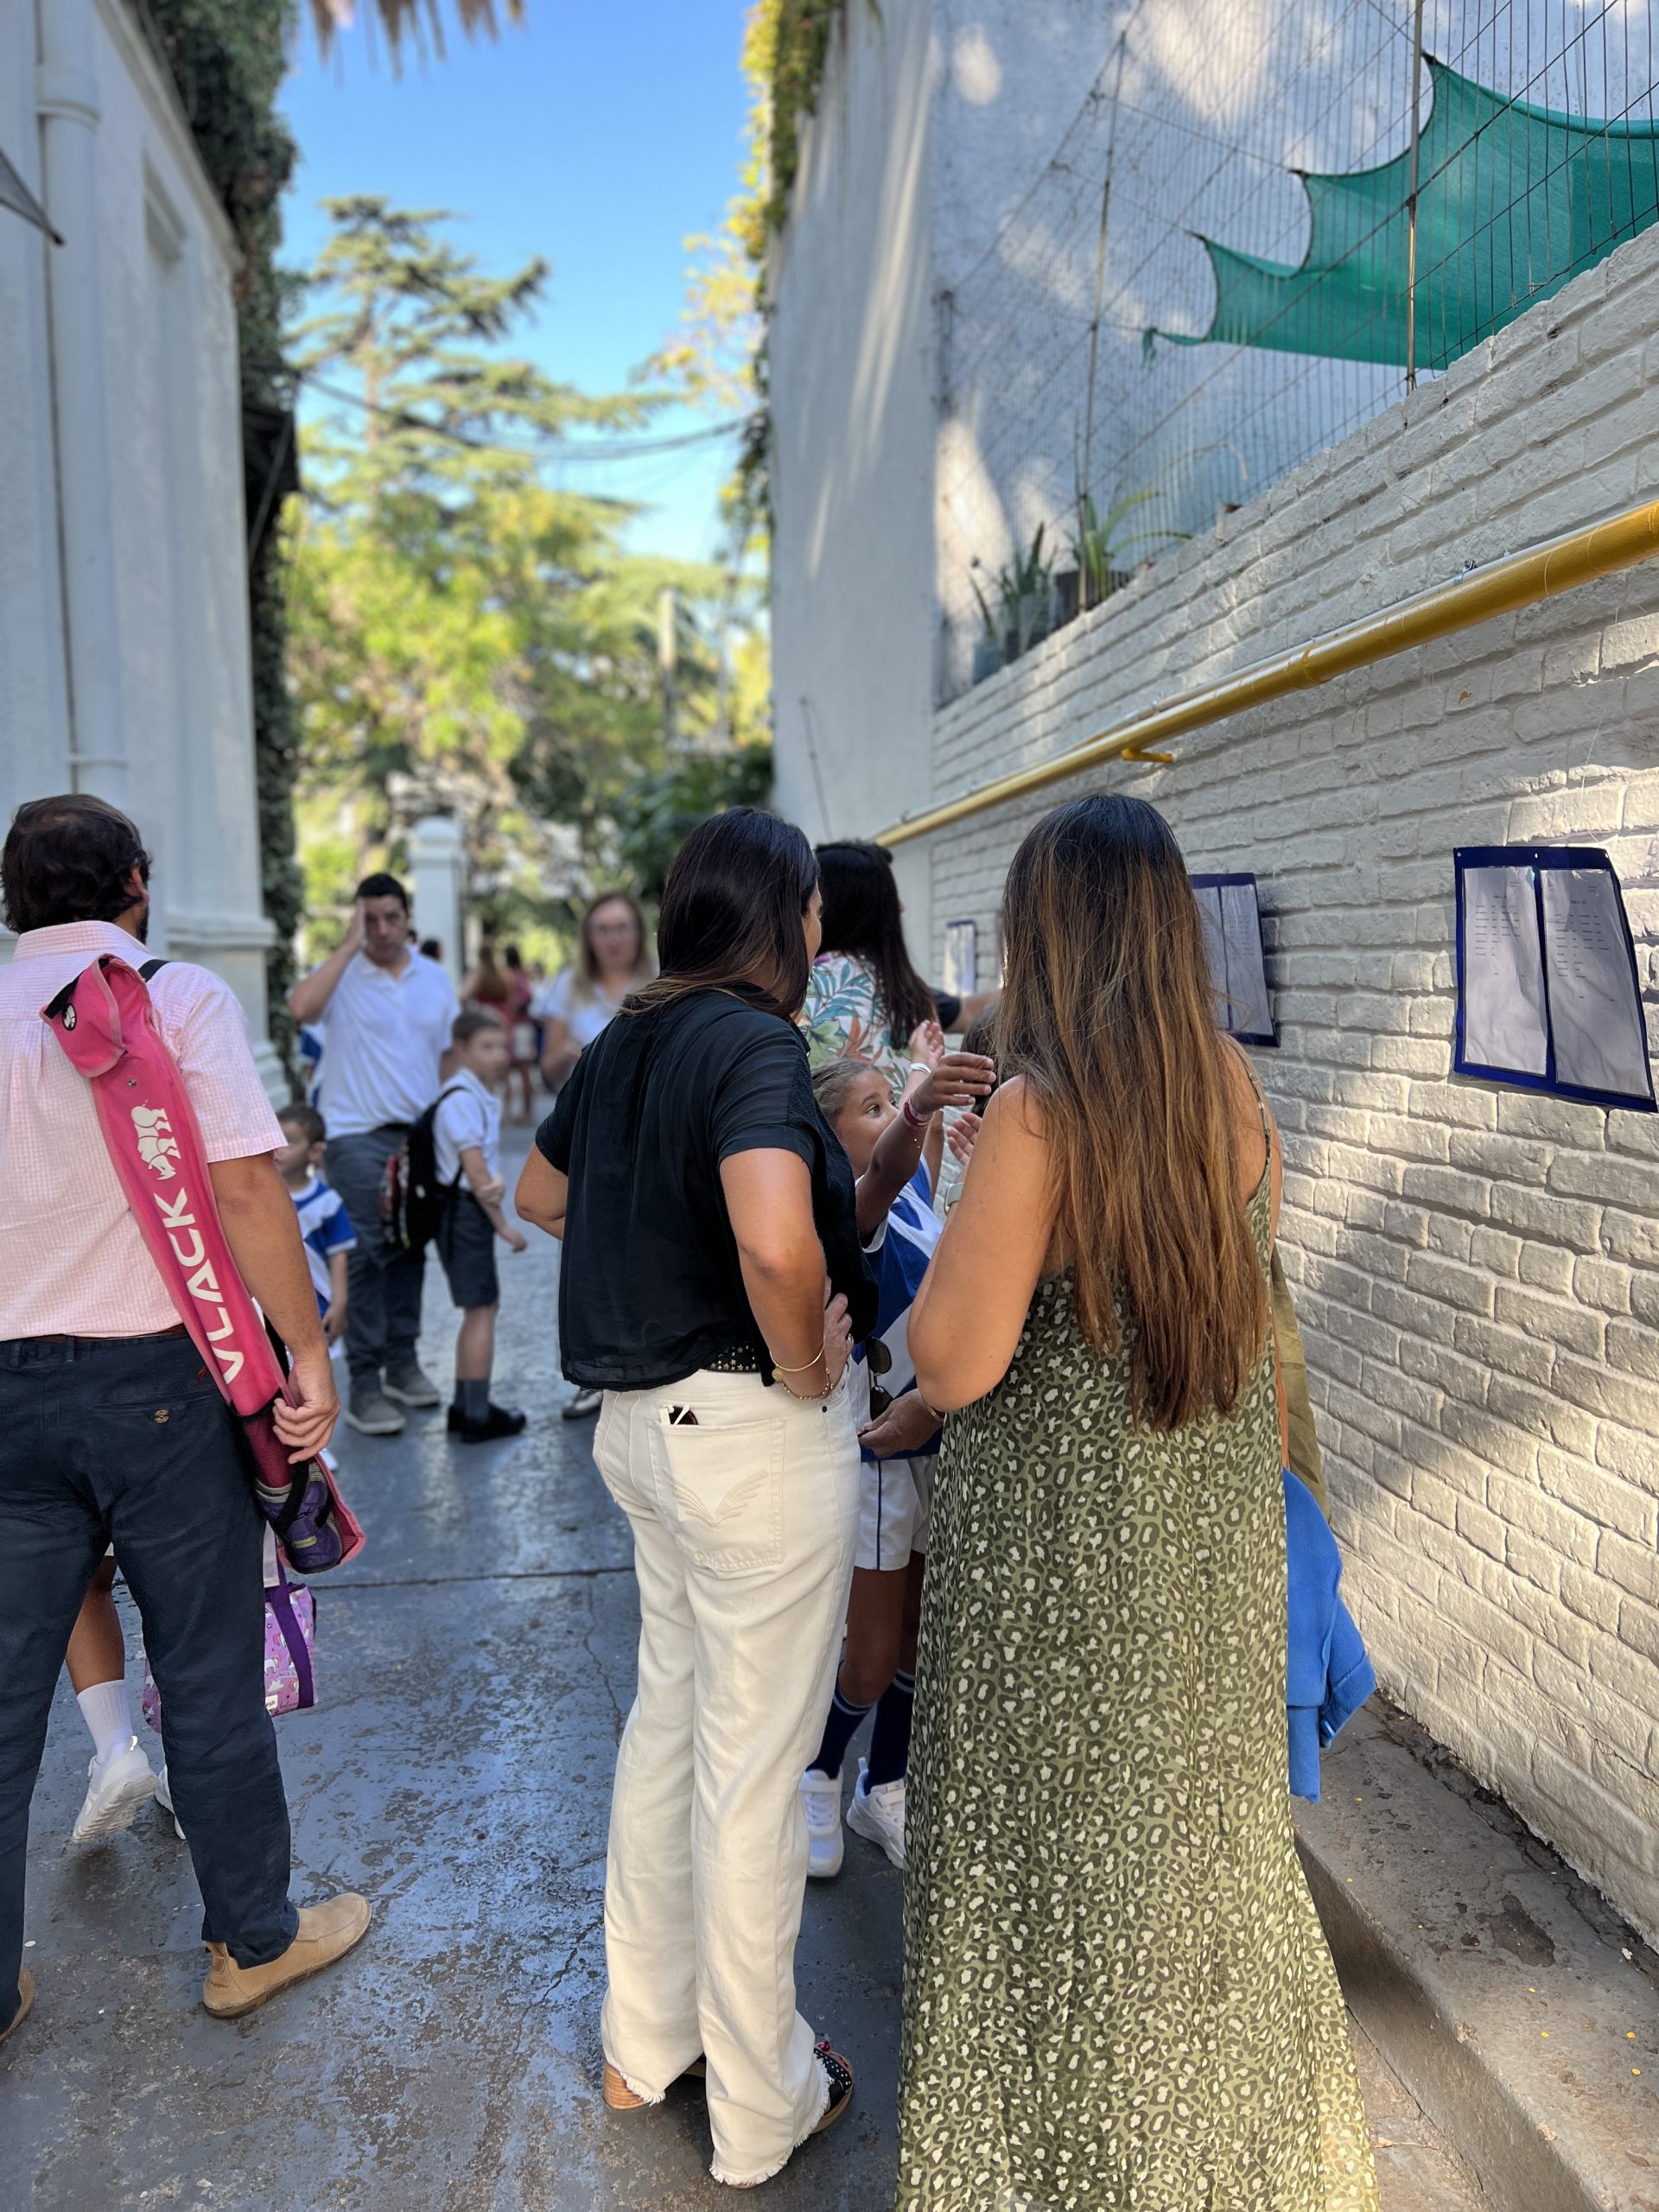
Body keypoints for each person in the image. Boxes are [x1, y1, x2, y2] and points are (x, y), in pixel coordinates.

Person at [893, 795, 1378, 2209]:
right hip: (1204, 1551)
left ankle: (1060, 2171)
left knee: (1047, 1886)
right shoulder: (1229, 1085)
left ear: (1043, 933)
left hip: (1060, 1578)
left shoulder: (1038, 1115)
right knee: (1204, 1868)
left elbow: (955, 1360)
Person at [515, 808, 872, 2191]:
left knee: (670, 1731)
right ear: (789, 916)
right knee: (751, 1773)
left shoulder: (629, 1039)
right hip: (747, 1435)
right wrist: (803, 1363)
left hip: (643, 1438)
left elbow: (541, 1194)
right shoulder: (753, 1044)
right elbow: (777, 1241)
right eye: (814, 908)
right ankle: (762, 2101)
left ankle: (642, 2042)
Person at [0, 794, 371, 2050]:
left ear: (12, 902)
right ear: (138, 886)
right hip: (160, 1380)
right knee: (207, 1667)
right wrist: (305, 1351)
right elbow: (246, 1187)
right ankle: (251, 1944)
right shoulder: (172, 1000)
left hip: (8, 1392)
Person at [799, 1036, 993, 1881]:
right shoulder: (848, 1211)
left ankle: (883, 1787)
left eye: (887, 1104)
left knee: (919, 1639)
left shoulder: (911, 1193)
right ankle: (817, 1769)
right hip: (879, 1458)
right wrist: (915, 1103)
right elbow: (892, 1158)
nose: (889, 1118)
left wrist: (922, 1071)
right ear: (828, 1140)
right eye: (868, 1109)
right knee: (872, 1653)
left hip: (937, 1444)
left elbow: (917, 1156)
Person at [288, 874, 460, 1437]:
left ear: (407, 919)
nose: (382, 930)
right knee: (364, 1250)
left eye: (391, 918)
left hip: (417, 1137)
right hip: (354, 1134)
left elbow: (446, 1058)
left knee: (409, 1245)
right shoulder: (341, 974)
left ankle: (402, 1363)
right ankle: (364, 1382)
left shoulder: (434, 977)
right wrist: (347, 946)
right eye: (370, 919)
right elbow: (300, 1008)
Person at [531, 891, 655, 1421]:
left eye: (621, 927)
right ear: (589, 936)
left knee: (650, 1237)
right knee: (585, 1244)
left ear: (637, 932)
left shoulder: (658, 978)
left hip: (648, 1130)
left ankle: (646, 1357)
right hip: (586, 1132)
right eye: (603, 928)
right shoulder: (569, 985)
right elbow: (546, 1068)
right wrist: (570, 1060)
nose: (613, 938)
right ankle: (594, 1370)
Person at [801, 842, 999, 1096]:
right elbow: (932, 1110)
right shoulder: (910, 996)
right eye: (891, 897)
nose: (901, 906)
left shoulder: (797, 992)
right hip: (915, 1122)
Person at [432, 1010, 528, 1442]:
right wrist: (503, 1226)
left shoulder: (474, 1095)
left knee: (481, 1308)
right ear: (461, 1051)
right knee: (482, 1309)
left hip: (464, 1212)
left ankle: (463, 1405)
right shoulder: (462, 1100)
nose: (499, 1055)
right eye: (487, 1047)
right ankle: (475, 1415)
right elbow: (477, 1174)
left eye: (502, 1046)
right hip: (465, 1214)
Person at [274, 1103, 353, 1346]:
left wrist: (339, 1303)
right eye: (276, 1137)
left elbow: (338, 1256)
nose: (278, 1148)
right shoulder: (260, 1200)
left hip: (319, 1308)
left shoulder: (327, 1203)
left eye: (289, 1141)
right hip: (274, 1308)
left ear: (315, 1151)